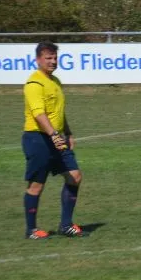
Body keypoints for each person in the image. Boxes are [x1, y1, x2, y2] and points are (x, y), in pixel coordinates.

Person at [21, 41, 85, 239]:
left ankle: (66, 225)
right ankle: (31, 230)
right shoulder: (34, 84)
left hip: (55, 137)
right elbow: (39, 114)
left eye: (55, 58)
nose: (53, 61)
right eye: (48, 58)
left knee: (75, 176)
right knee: (37, 185)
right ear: (38, 60)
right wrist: (54, 135)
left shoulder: (55, 81)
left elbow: (58, 112)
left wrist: (68, 132)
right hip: (37, 139)